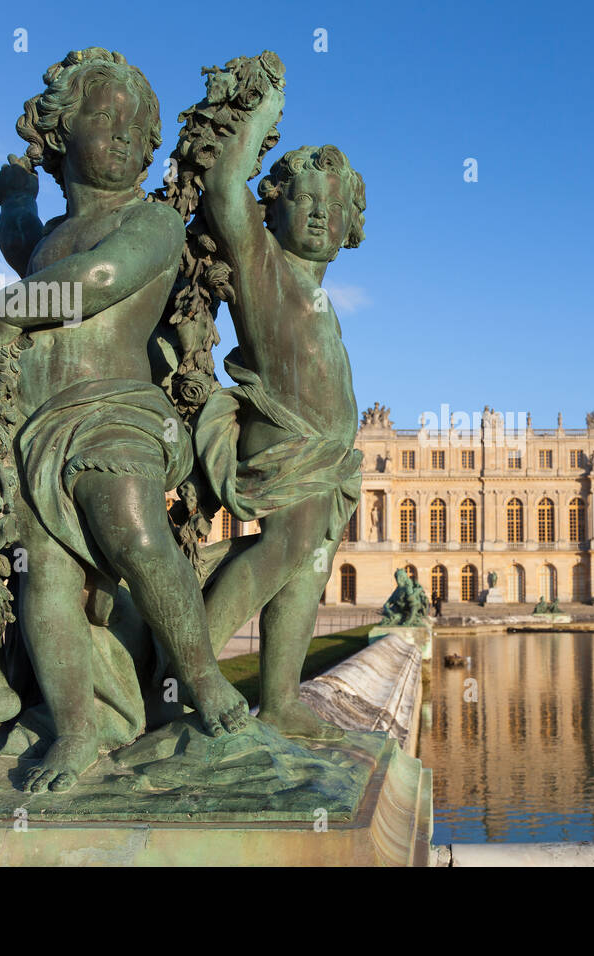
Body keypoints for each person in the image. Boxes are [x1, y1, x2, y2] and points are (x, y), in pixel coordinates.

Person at [0, 48, 248, 794]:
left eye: (139, 127)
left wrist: (0, 312)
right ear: (62, 133)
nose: (126, 136)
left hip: (114, 413)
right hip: (34, 425)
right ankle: (71, 727)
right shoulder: (51, 235)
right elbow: (30, 252)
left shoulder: (152, 222)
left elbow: (89, 284)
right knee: (40, 579)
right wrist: (14, 202)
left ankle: (206, 683)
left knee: (131, 530)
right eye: (106, 120)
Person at [192, 74, 368, 741]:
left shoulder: (321, 298)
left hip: (325, 453)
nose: (322, 214)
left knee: (309, 566)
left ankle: (280, 700)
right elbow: (221, 190)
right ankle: (189, 672)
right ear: (274, 206)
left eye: (335, 205)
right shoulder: (264, 265)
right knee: (286, 545)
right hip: (285, 439)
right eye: (307, 199)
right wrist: (263, 109)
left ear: (352, 222)